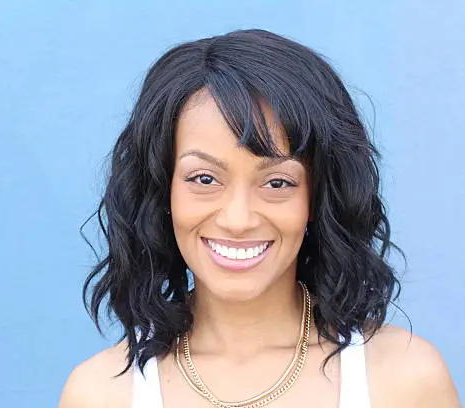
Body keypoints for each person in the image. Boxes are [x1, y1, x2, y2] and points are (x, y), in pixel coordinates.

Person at [59, 29, 460, 408]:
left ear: (318, 198)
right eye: (204, 178)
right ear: (161, 191)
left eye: (278, 182)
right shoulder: (102, 393)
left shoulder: (405, 380)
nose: (238, 219)